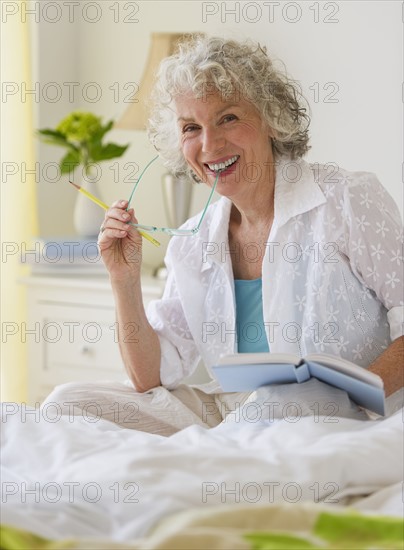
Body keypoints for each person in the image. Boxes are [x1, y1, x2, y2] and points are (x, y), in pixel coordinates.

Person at [42, 35, 403, 434]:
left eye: (228, 118)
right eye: (191, 127)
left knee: (275, 407)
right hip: (235, 414)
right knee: (68, 403)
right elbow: (152, 377)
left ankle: (218, 459)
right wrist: (123, 280)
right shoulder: (192, 240)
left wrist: (348, 404)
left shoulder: (346, 199)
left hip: (338, 418)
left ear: (270, 117)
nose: (210, 144)